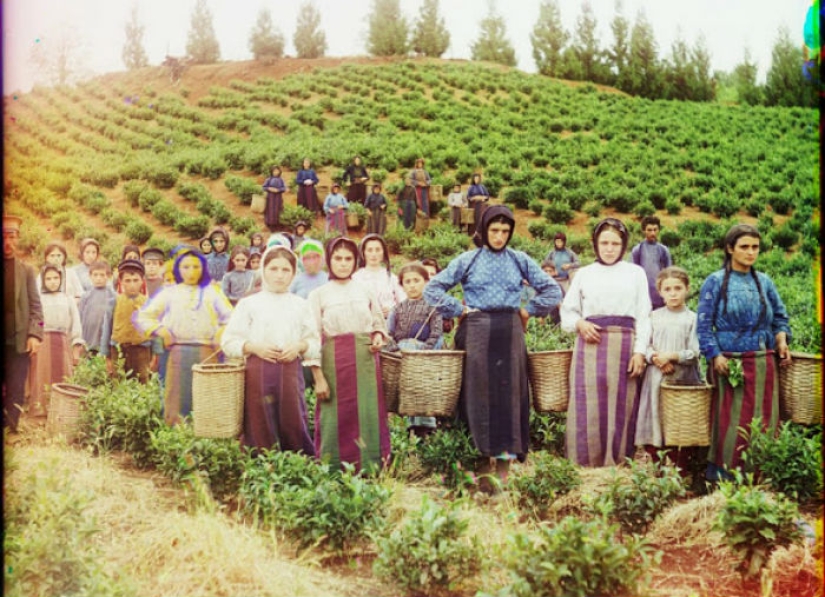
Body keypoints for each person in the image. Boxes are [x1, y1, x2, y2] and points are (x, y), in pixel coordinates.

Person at [424, 206, 562, 490]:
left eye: (505, 231)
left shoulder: (519, 260)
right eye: (494, 230)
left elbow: (553, 290)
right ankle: (480, 469)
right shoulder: (469, 259)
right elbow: (432, 289)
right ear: (484, 230)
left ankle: (503, 474)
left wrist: (528, 311)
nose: (499, 237)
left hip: (510, 335)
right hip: (477, 333)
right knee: (478, 400)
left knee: (508, 402)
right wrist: (458, 309)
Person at [696, 224, 792, 481]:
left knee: (764, 420)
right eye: (745, 247)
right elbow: (704, 326)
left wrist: (781, 340)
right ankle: (725, 480)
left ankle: (762, 478)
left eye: (755, 247)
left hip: (764, 363)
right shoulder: (715, 282)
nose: (751, 253)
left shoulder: (765, 282)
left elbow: (780, 318)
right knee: (732, 422)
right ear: (730, 249)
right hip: (730, 364)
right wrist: (715, 355)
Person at [560, 218, 651, 467]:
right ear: (595, 244)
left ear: (623, 246)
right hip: (590, 346)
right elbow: (567, 312)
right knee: (588, 404)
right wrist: (580, 324)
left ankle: (618, 462)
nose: (609, 248)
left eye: (615, 243)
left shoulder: (635, 273)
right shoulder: (583, 274)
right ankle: (584, 463)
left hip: (624, 347)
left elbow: (644, 315)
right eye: (604, 242)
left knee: (622, 404)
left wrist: (640, 352)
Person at [222, 245, 319, 454]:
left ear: (294, 273)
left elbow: (314, 342)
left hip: (290, 372)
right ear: (263, 270)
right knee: (259, 421)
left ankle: (296, 466)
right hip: (258, 372)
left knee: (292, 419)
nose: (279, 275)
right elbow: (229, 341)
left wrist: (299, 346)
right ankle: (261, 467)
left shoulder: (300, 305)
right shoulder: (249, 304)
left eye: (286, 270)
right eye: (274, 269)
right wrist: (254, 347)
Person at [307, 237, 391, 472]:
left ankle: (372, 467)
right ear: (329, 260)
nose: (343, 264)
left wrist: (377, 337)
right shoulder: (319, 294)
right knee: (334, 416)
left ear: (356, 262)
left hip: (365, 363)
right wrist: (318, 377)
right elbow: (312, 337)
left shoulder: (365, 290)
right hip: (334, 364)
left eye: (348, 259)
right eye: (337, 258)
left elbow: (378, 323)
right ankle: (333, 469)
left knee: (367, 413)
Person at [136, 247, 233, 425]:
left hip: (208, 353)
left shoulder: (213, 292)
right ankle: (176, 440)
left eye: (196, 267)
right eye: (186, 267)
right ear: (178, 269)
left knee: (205, 398)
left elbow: (231, 317)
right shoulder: (170, 293)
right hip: (178, 353)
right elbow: (144, 316)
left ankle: (206, 440)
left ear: (203, 268)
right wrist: (161, 330)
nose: (191, 272)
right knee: (176, 397)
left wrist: (221, 332)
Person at [635, 266, 702, 472]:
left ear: (687, 289)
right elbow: (645, 344)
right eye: (668, 289)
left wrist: (672, 356)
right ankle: (655, 465)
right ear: (660, 291)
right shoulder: (654, 316)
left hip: (682, 379)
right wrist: (656, 358)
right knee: (656, 416)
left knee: (678, 421)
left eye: (678, 288)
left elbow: (695, 351)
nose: (673, 293)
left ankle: (681, 467)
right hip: (657, 377)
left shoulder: (692, 318)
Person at [387, 262, 443, 436]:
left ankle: (427, 429)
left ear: (426, 282)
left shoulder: (433, 308)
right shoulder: (397, 309)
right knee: (409, 392)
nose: (412, 285)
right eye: (407, 281)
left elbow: (436, 332)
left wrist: (424, 350)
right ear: (402, 285)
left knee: (424, 391)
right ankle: (412, 429)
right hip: (403, 357)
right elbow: (388, 333)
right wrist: (396, 349)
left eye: (416, 280)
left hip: (425, 357)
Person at [3, 215, 44, 432]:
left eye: (11, 237)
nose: (7, 243)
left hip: (18, 342)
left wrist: (35, 335)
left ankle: (11, 428)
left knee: (16, 387)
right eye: (3, 237)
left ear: (17, 239)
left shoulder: (26, 271)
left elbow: (37, 309)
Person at [27, 265, 84, 417]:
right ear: (43, 280)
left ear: (61, 279)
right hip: (44, 340)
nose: (52, 282)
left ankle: (61, 411)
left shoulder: (68, 299)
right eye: (48, 278)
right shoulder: (39, 299)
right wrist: (41, 328)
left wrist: (76, 344)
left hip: (62, 340)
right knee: (42, 374)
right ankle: (41, 410)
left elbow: (75, 321)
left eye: (56, 278)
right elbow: (38, 320)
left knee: (63, 374)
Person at [100, 259, 160, 384]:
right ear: (121, 282)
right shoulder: (114, 303)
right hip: (119, 351)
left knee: (142, 382)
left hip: (142, 352)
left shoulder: (149, 304)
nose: (132, 284)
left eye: (135, 280)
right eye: (127, 281)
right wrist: (107, 356)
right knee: (118, 382)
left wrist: (156, 354)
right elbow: (107, 329)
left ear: (142, 282)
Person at [352, 234, 406, 320]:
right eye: (369, 250)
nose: (374, 254)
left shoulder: (391, 278)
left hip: (389, 324)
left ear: (383, 252)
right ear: (363, 253)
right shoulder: (355, 278)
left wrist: (393, 311)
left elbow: (404, 302)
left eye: (378, 250)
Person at [630, 215, 673, 310]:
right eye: (649, 230)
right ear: (643, 231)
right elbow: (633, 274)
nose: (652, 233)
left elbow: (669, 273)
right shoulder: (638, 250)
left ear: (659, 230)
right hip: (643, 294)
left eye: (655, 229)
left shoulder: (663, 250)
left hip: (660, 296)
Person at [78, 260, 117, 355]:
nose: (98, 278)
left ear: (108, 276)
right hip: (87, 340)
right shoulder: (85, 296)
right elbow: (80, 319)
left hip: (105, 342)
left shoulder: (113, 296)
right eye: (95, 275)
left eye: (102, 275)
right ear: (90, 276)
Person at [421, 258, 454, 335]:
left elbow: (449, 326)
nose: (428, 277)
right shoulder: (408, 294)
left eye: (432, 274)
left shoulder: (441, 298)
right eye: (425, 273)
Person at [262, 165, 287, 232]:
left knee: (278, 210)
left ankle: (278, 224)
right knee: (270, 210)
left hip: (278, 198)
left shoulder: (281, 180)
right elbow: (264, 187)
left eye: (277, 171)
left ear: (279, 171)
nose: (276, 172)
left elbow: (284, 188)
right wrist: (269, 188)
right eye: (274, 171)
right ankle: (270, 225)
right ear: (272, 171)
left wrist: (278, 190)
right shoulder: (269, 179)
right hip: (270, 198)